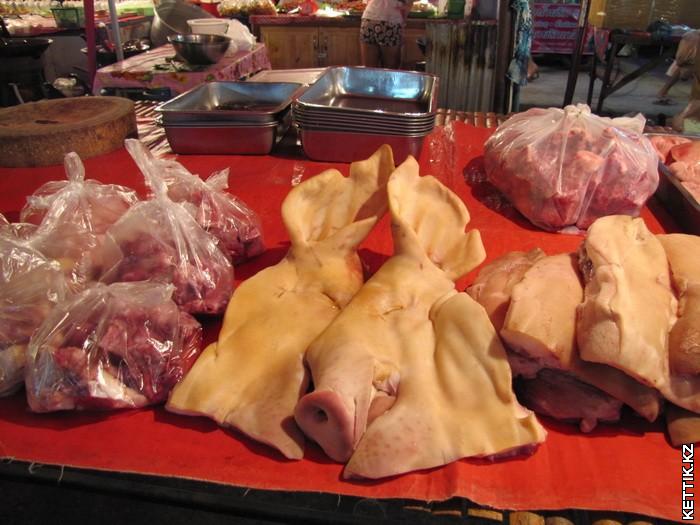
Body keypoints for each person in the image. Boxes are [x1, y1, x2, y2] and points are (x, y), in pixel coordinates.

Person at [360, 0, 413, 69]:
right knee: (390, 69)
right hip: (390, 21)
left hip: (368, 20)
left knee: (369, 70)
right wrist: (403, 22)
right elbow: (408, 4)